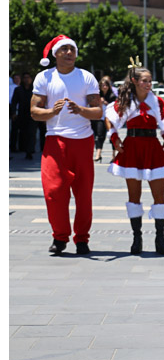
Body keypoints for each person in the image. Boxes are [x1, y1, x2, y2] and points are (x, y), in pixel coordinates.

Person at [30, 35, 102, 256]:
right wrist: (52, 112)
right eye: (65, 49)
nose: (70, 53)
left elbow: (98, 111)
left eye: (73, 49)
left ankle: (82, 239)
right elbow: (34, 112)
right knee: (54, 192)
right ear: (56, 54)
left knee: (83, 194)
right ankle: (60, 237)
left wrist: (81, 110)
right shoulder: (44, 78)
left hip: (82, 141)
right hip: (55, 140)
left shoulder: (87, 77)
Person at [105, 58, 164, 255]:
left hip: (153, 147)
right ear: (135, 81)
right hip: (132, 148)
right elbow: (109, 118)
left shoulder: (157, 100)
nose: (148, 84)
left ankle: (160, 239)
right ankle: (137, 238)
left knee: (159, 196)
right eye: (144, 80)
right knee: (133, 197)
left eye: (150, 80)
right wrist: (114, 138)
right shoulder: (125, 101)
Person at [11, 72, 36, 160]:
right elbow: (14, 102)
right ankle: (24, 149)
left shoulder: (35, 90)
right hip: (22, 114)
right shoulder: (18, 90)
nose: (26, 79)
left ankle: (30, 151)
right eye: (25, 77)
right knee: (23, 133)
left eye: (28, 77)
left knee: (32, 133)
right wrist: (14, 113)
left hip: (33, 114)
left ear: (31, 79)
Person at [91, 76, 117, 163]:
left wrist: (106, 102)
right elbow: (92, 104)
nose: (104, 87)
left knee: (112, 136)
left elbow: (116, 106)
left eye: (106, 85)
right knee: (99, 135)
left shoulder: (112, 95)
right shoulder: (98, 95)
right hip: (101, 117)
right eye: (102, 85)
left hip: (111, 118)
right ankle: (98, 154)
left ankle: (114, 155)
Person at [9, 73, 21, 154]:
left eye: (18, 78)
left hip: (21, 109)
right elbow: (11, 100)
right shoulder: (11, 87)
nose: (17, 80)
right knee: (14, 129)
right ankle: (13, 146)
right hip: (13, 108)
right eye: (15, 78)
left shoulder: (21, 88)